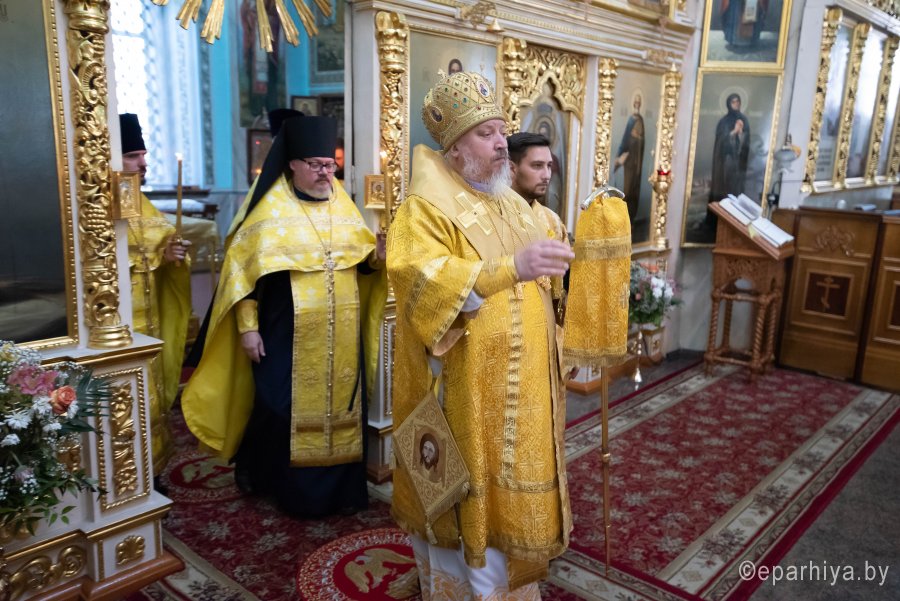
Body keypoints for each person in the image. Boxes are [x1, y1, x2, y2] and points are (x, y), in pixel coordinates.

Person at [388, 71, 575, 599]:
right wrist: (511, 269)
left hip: (522, 391)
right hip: (462, 392)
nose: (500, 144)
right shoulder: (425, 207)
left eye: (502, 132)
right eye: (486, 133)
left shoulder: (509, 200)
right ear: (454, 147)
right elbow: (422, 281)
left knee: (510, 506)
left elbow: (545, 271)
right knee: (463, 507)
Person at [181, 116, 386, 518]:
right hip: (285, 331)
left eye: (330, 164)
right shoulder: (269, 212)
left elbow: (362, 265)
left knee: (343, 409)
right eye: (316, 165)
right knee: (278, 410)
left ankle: (341, 492)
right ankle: (284, 488)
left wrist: (378, 258)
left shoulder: (343, 205)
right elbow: (245, 280)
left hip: (341, 333)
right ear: (292, 164)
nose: (326, 173)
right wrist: (248, 329)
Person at [119, 114, 192, 477]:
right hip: (118, 328)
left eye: (144, 155)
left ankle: (154, 468)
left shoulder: (143, 204)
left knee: (152, 392)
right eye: (133, 156)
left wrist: (173, 256)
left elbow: (165, 247)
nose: (143, 163)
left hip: (150, 325)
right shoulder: (94, 207)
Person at [508, 131, 570, 311]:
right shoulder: (492, 216)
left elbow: (559, 290)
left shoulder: (552, 221)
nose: (547, 175)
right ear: (512, 168)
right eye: (537, 166)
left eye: (549, 166)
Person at [708, 93, 750, 230]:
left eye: (738, 101)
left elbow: (746, 144)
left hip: (738, 165)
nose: (736, 104)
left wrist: (741, 134)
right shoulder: (724, 122)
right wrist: (733, 132)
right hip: (726, 163)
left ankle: (736, 222)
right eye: (733, 102)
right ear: (728, 104)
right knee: (725, 190)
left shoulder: (744, 120)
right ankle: (718, 222)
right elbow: (720, 143)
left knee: (736, 190)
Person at [614, 91, 645, 221]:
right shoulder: (631, 120)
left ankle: (631, 217)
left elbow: (642, 141)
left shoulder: (641, 120)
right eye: (635, 101)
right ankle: (624, 218)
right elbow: (625, 138)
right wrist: (619, 154)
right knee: (627, 189)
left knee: (634, 189)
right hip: (629, 162)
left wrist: (638, 138)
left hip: (637, 161)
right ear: (633, 103)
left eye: (639, 101)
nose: (637, 103)